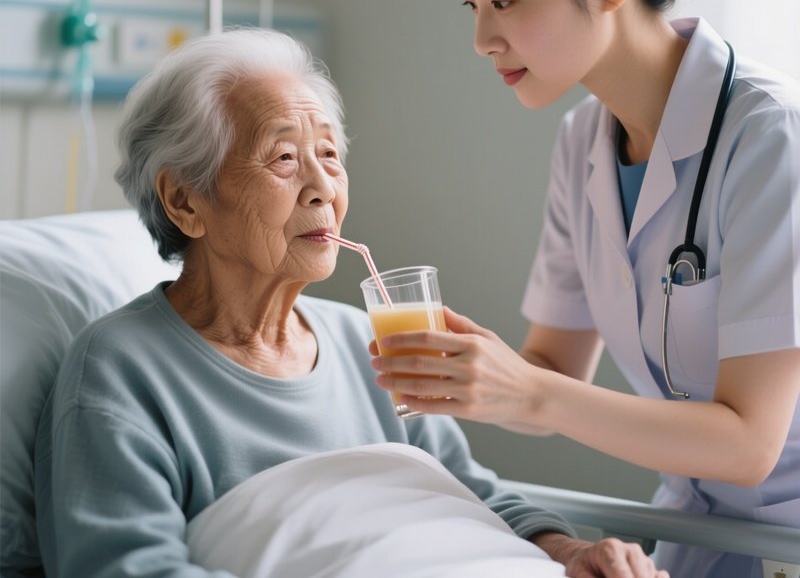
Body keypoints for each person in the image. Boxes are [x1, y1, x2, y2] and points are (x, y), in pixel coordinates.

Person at [33, 29, 665, 578]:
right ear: (185, 202)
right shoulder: (120, 371)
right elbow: (124, 568)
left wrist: (566, 549)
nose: (322, 189)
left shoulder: (368, 340)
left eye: (330, 156)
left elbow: (470, 495)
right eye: (284, 158)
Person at [368, 0, 800, 578]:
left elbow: (748, 442)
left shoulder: (771, 141)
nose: (482, 40)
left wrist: (527, 392)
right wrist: (474, 373)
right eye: (469, 4)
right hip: (698, 536)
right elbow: (551, 368)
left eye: (502, 1)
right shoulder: (582, 142)